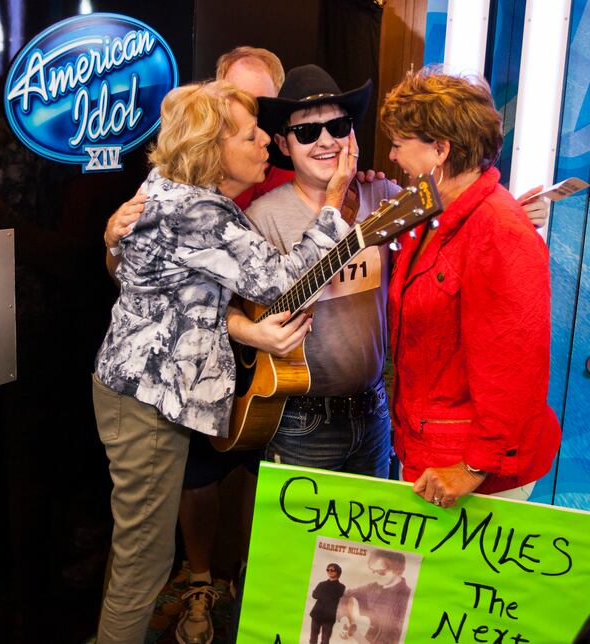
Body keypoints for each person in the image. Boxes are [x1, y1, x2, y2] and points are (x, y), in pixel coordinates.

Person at [93, 79, 358, 644]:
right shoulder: (200, 210)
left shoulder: (172, 189)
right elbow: (283, 279)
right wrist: (335, 200)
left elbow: (172, 298)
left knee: (135, 551)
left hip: (136, 393)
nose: (267, 141)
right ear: (214, 149)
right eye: (252, 132)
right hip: (143, 404)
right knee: (143, 564)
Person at [380, 69, 561, 508]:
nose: (391, 155)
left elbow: (513, 368)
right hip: (429, 454)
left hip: (469, 471)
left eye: (400, 144)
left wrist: (472, 468)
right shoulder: (438, 215)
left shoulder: (498, 230)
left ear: (440, 149)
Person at [229, 64, 397, 477]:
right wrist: (252, 332)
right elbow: (218, 309)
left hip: (374, 412)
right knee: (301, 544)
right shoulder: (261, 218)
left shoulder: (384, 195)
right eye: (307, 132)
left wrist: (515, 214)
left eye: (337, 126)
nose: (326, 142)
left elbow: (444, 240)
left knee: (370, 545)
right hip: (301, 421)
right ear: (285, 145)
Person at [337, 550, 411, 644]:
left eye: (380, 572)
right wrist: (344, 619)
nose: (375, 576)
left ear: (397, 570)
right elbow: (344, 596)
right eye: (373, 571)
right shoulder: (371, 588)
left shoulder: (408, 598)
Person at [309, 563, 346, 644]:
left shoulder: (341, 587)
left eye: (332, 570)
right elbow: (314, 595)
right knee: (313, 638)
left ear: (338, 572)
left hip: (329, 617)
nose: (329, 571)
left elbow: (332, 596)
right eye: (328, 569)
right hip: (316, 614)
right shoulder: (321, 584)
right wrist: (325, 596)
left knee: (325, 640)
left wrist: (321, 595)